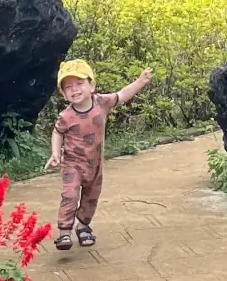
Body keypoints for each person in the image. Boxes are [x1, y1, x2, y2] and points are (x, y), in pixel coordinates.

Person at [46, 59, 153, 251]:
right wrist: (55, 153)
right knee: (69, 195)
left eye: (79, 84)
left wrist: (140, 82)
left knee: (91, 197)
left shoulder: (101, 103)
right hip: (72, 164)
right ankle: (64, 233)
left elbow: (122, 95)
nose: (75, 89)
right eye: (68, 87)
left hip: (95, 164)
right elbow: (57, 132)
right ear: (63, 93)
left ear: (91, 86)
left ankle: (83, 227)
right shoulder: (66, 116)